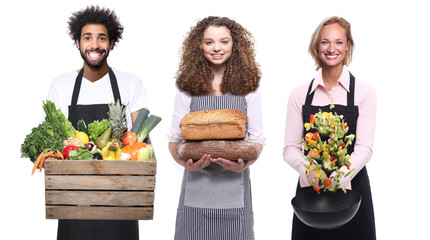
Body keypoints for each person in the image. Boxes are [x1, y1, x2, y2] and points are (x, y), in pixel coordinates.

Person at [47, 5, 147, 240]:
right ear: (77, 43)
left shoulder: (131, 83)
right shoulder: (60, 85)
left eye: (102, 38)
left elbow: (141, 138)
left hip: (120, 195)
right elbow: (54, 139)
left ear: (111, 43)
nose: (95, 45)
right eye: (87, 38)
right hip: (74, 197)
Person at [168, 16, 265, 240]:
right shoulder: (186, 87)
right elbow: (175, 140)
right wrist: (186, 165)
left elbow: (258, 139)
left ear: (235, 45)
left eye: (224, 41)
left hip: (234, 193)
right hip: (195, 194)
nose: (216, 48)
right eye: (209, 42)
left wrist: (244, 165)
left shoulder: (249, 87)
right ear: (199, 46)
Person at [283, 16, 377, 239]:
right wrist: (311, 172)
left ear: (348, 46)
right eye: (325, 42)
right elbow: (289, 148)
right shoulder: (300, 94)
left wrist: (338, 176)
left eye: (338, 42)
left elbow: (364, 148)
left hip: (353, 191)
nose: (331, 48)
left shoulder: (364, 93)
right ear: (317, 47)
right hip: (310, 194)